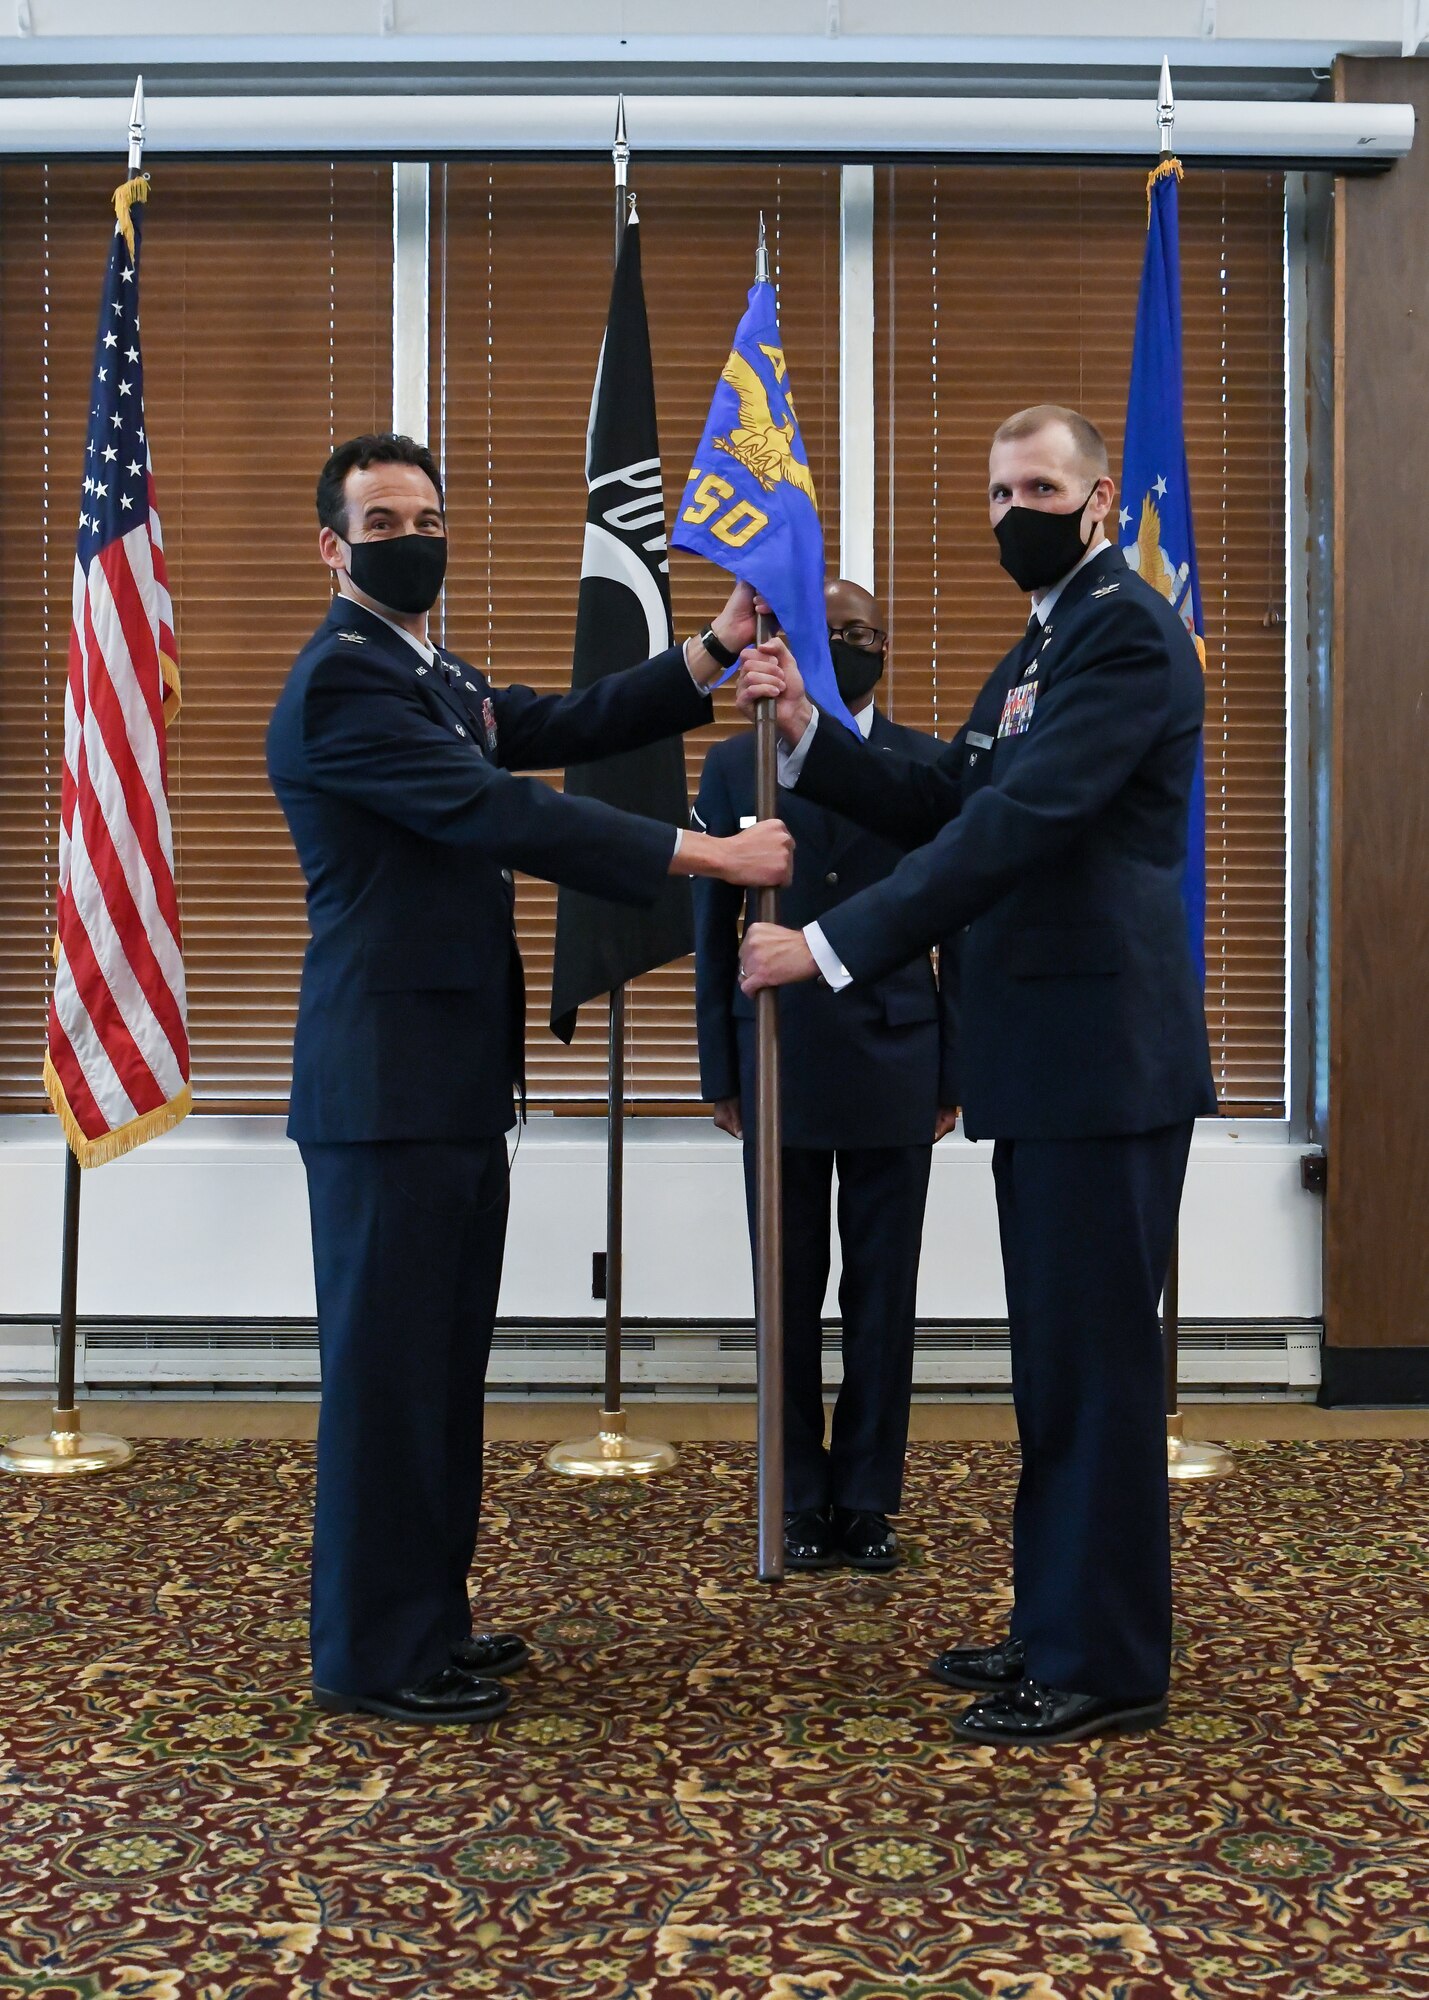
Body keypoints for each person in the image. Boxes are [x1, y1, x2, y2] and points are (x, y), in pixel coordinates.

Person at [266, 432, 792, 1728]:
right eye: (383, 523)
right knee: (389, 1377)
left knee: (440, 1368)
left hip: (442, 1078)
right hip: (383, 1085)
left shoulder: (424, 671)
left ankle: (424, 1618)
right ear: (332, 547)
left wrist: (710, 650)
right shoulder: (345, 685)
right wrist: (709, 859)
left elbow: (558, 724)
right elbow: (510, 811)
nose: (412, 538)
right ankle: (373, 1654)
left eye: (428, 514)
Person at [735, 404, 1216, 1746]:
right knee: (1053, 1369)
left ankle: (1106, 1663)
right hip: (1049, 1067)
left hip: (1102, 1065)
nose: (1015, 512)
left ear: (1101, 497)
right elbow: (951, 793)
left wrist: (828, 943)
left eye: (1040, 488)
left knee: (1095, 1372)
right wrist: (806, 742)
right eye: (999, 490)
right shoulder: (1046, 640)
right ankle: (1057, 1624)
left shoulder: (1124, 633)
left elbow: (1017, 825)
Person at [692, 578, 958, 1574]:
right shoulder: (735, 763)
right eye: (834, 631)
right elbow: (709, 930)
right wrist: (718, 1062)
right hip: (779, 1050)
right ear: (797, 640)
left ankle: (866, 1499)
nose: (853, 645)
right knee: (787, 1293)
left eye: (867, 634)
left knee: (884, 1296)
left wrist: (954, 1065)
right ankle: (797, 1495)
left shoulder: (925, 766)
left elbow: (955, 919)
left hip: (898, 1049)